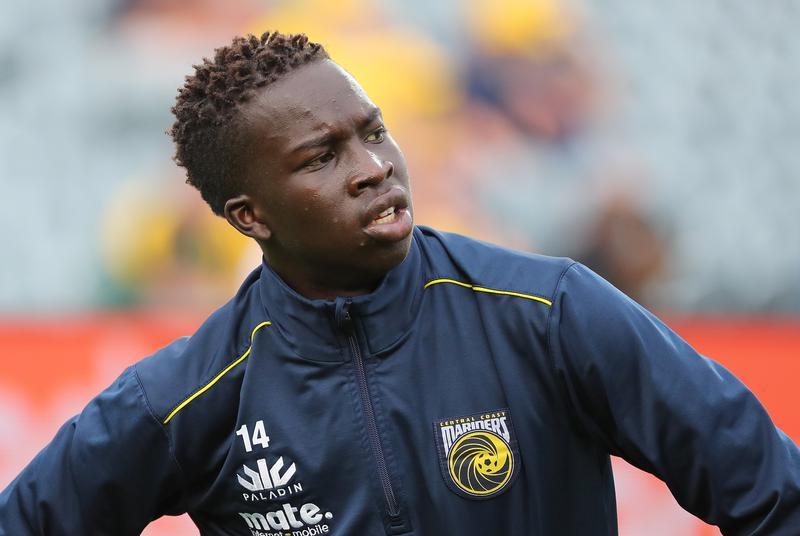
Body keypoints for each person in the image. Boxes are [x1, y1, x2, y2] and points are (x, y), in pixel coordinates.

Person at [1, 32, 799, 536]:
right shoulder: (185, 396)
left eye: (375, 132)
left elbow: (772, 495)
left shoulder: (551, 310)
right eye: (323, 158)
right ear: (250, 216)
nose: (375, 168)